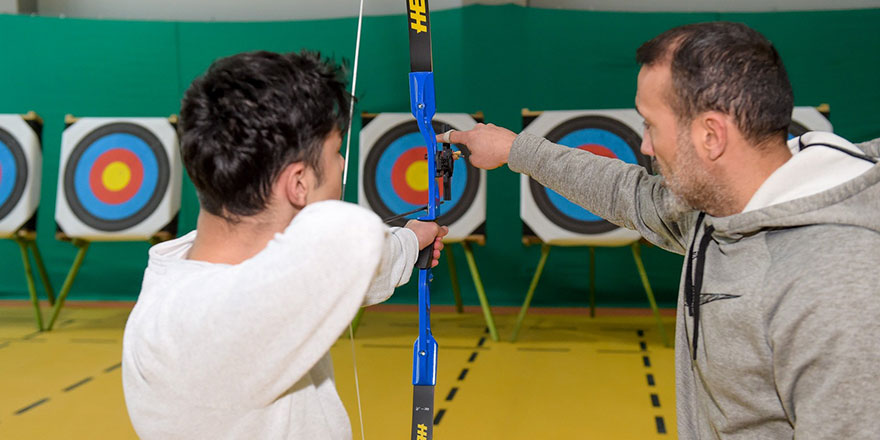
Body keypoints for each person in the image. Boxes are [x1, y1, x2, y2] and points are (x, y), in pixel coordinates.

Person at [443, 22, 880, 439]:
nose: (645, 146)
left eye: (650, 125)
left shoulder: (835, 286)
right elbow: (629, 194)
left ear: (712, 135)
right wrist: (514, 149)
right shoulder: (720, 208)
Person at [121, 50, 447, 439]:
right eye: (334, 151)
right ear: (297, 184)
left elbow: (324, 276)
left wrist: (410, 241)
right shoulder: (200, 325)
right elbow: (351, 243)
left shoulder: (191, 264)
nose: (342, 164)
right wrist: (395, 244)